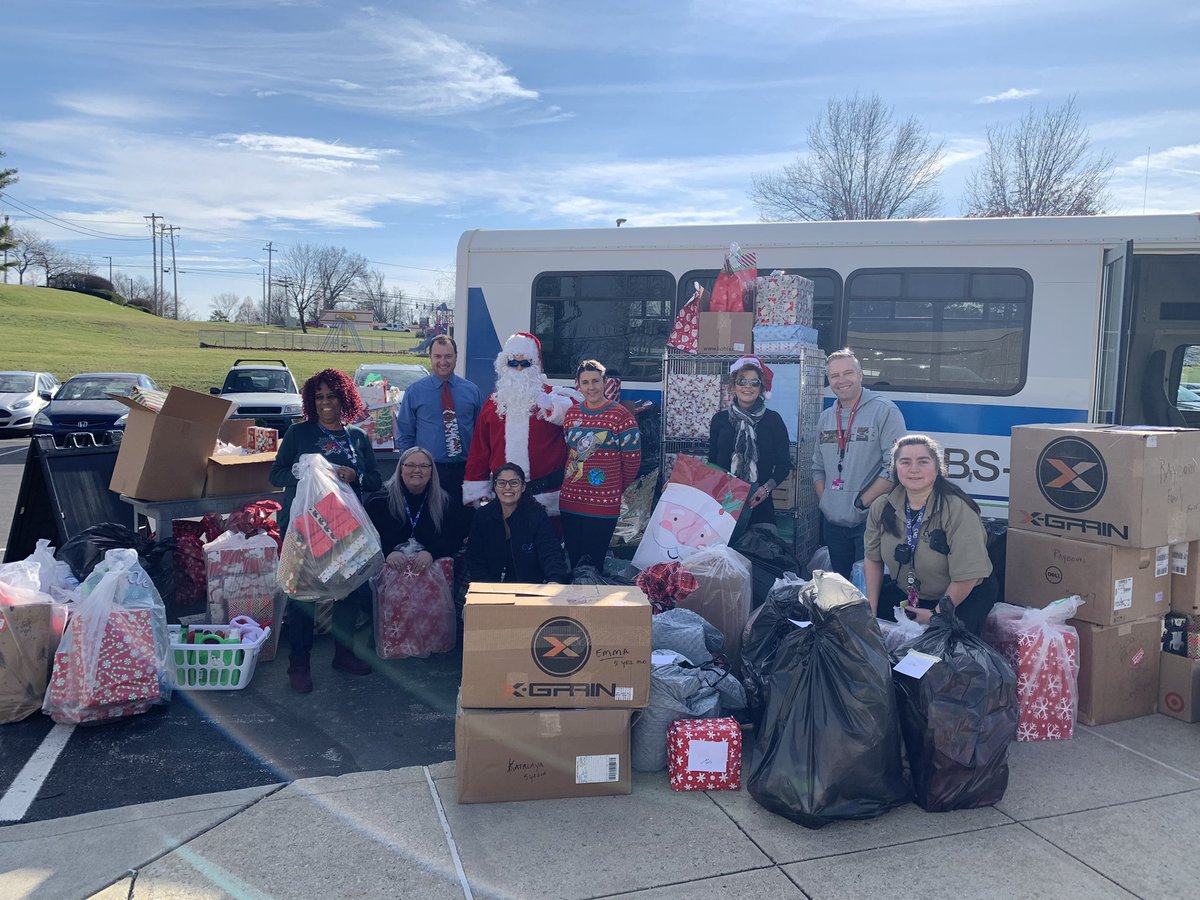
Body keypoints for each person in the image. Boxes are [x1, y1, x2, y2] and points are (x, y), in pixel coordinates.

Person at [270, 368, 382, 693]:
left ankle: (343, 655)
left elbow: (375, 479)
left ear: (343, 398)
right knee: (303, 595)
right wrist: (305, 471)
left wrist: (353, 476)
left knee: (346, 592)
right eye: (319, 397)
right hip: (306, 528)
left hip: (346, 529)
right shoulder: (298, 434)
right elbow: (275, 475)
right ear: (311, 400)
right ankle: (299, 663)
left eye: (331, 395)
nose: (325, 402)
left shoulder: (357, 437)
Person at [864, 434, 997, 636]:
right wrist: (871, 610)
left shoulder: (958, 509)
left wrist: (936, 614)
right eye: (905, 462)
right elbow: (873, 559)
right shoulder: (881, 506)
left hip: (962, 595)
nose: (914, 469)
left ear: (937, 468)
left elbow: (969, 575)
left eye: (923, 462)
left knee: (943, 654)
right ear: (895, 469)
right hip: (911, 593)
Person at [812, 349, 907, 580]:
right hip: (833, 524)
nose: (841, 380)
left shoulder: (884, 411)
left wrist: (862, 503)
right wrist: (826, 502)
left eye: (848, 373)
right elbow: (817, 467)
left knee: (867, 590)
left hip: (869, 522)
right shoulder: (826, 417)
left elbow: (894, 466)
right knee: (841, 587)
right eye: (834, 376)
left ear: (861, 375)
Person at [463, 332, 576, 513]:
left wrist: (552, 406)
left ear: (535, 365)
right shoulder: (494, 404)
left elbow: (578, 417)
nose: (519, 369)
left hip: (546, 498)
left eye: (525, 363)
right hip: (502, 498)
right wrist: (477, 489)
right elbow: (480, 450)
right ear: (504, 365)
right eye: (513, 363)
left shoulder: (551, 398)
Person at [559, 360, 641, 570]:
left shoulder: (621, 416)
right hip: (571, 501)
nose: (591, 387)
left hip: (603, 504)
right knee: (573, 559)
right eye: (585, 382)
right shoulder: (572, 414)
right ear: (578, 385)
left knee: (592, 563)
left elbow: (632, 461)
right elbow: (569, 451)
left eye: (596, 381)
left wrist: (614, 487)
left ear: (605, 383)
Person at [395, 335, 482, 510]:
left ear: (456, 357)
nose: (443, 361)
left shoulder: (472, 391)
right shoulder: (415, 391)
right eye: (438, 356)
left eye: (448, 356)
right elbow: (404, 434)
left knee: (461, 522)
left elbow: (481, 434)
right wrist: (413, 469)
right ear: (430, 358)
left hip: (464, 471)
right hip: (429, 471)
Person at [708, 356, 792, 530]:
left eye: (754, 382)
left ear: (761, 388)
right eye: (741, 381)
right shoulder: (719, 420)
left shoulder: (773, 420)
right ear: (733, 386)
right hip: (725, 504)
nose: (747, 386)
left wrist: (766, 489)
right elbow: (712, 464)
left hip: (760, 505)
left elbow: (784, 465)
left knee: (759, 554)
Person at [465, 463, 569, 584]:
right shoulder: (482, 516)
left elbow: (551, 554)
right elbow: (475, 558)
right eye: (501, 483)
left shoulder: (537, 516)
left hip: (529, 589)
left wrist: (554, 581)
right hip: (489, 588)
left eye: (514, 482)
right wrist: (486, 587)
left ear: (523, 487)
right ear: (495, 487)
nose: (507, 487)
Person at [365, 446, 466, 568]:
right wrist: (387, 553)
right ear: (401, 470)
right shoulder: (378, 500)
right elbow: (367, 538)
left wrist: (431, 553)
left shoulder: (444, 501)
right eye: (410, 465)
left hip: (430, 572)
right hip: (388, 570)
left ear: (431, 472)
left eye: (424, 466)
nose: (417, 470)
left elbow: (454, 538)